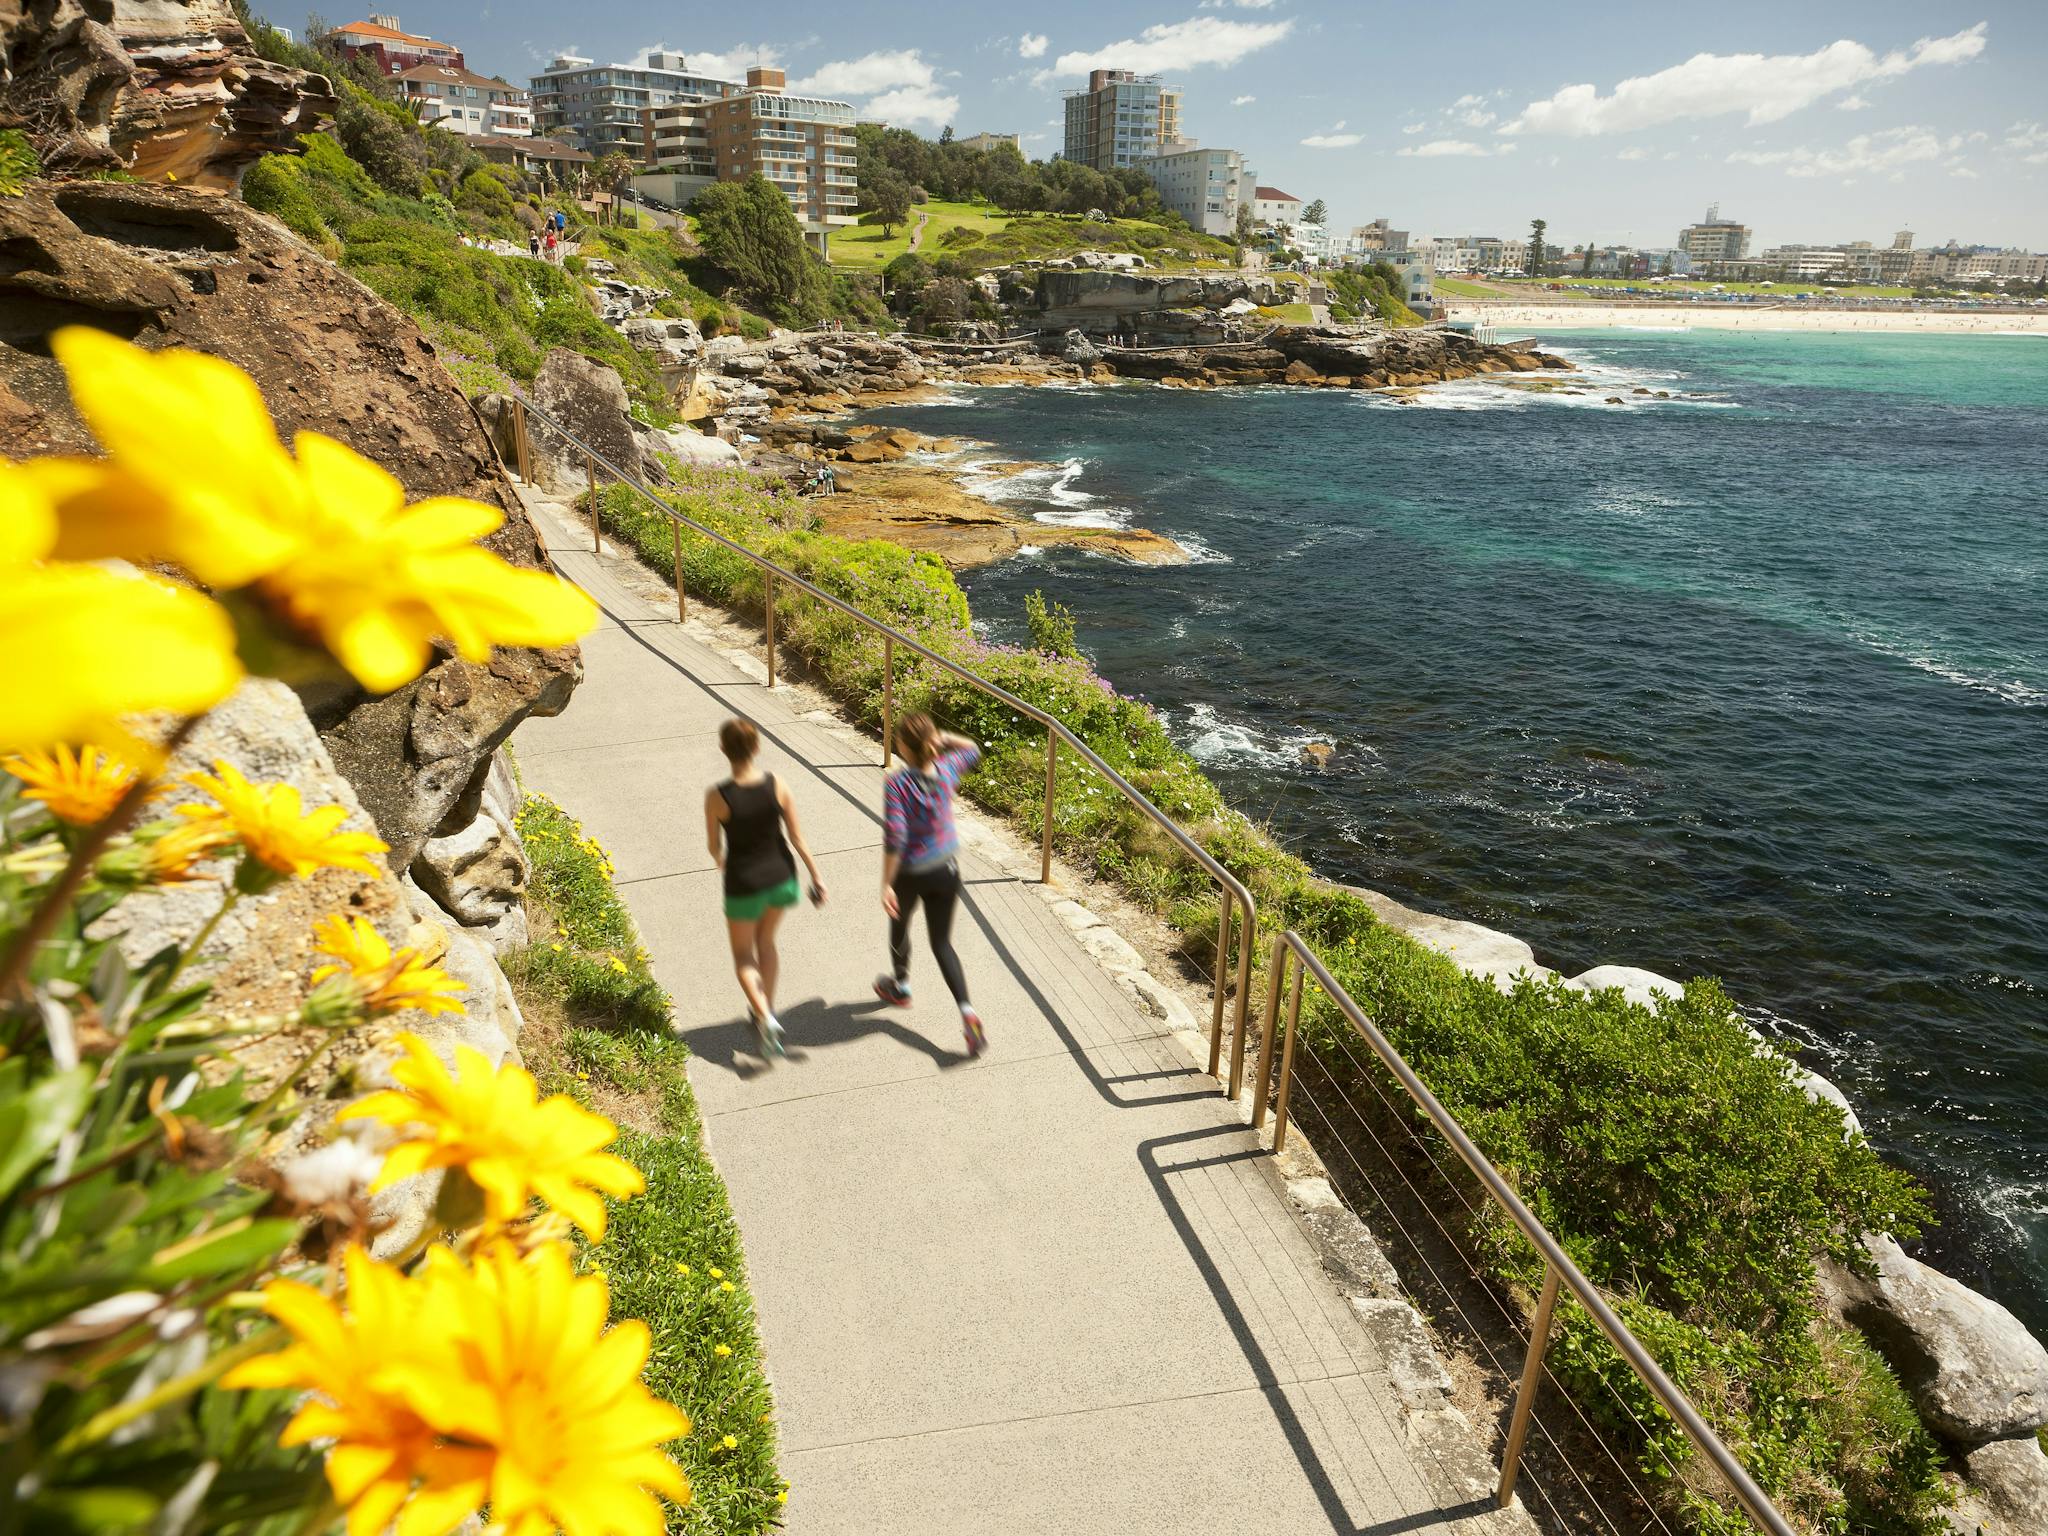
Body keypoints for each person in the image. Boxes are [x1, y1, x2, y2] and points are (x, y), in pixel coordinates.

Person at [705, 717, 825, 1057]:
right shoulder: (777, 784)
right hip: (782, 879)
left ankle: (762, 1013)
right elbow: (797, 838)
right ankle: (767, 1011)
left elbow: (715, 847)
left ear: (723, 750)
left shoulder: (717, 796)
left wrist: (722, 862)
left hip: (743, 881)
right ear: (756, 748)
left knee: (744, 955)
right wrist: (816, 876)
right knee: (767, 942)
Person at [874, 714, 984, 1055]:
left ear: (903, 747)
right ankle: (967, 1012)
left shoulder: (897, 784)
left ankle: (901, 985)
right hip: (947, 870)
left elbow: (896, 837)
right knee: (942, 943)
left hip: (911, 871)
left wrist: (886, 884)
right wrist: (943, 738)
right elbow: (973, 749)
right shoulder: (948, 769)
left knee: (899, 925)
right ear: (933, 743)